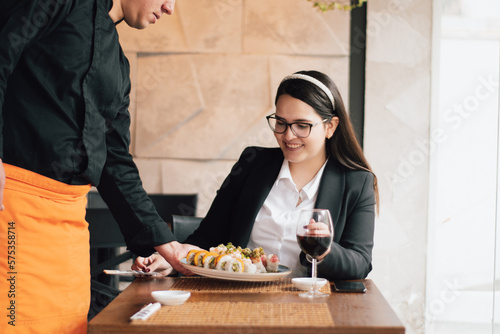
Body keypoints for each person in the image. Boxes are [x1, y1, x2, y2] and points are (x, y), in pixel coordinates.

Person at [0, 1, 198, 333]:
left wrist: (169, 246)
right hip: (14, 210)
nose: (169, 8)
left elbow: (116, 162)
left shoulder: (118, 66)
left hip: (70, 231)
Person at [133, 70, 379, 280]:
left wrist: (325, 250)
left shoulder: (356, 181)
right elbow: (208, 236)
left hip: (309, 305)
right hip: (239, 296)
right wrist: (173, 260)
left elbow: (360, 262)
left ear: (330, 126)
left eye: (302, 125)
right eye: (280, 122)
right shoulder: (252, 162)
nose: (288, 135)